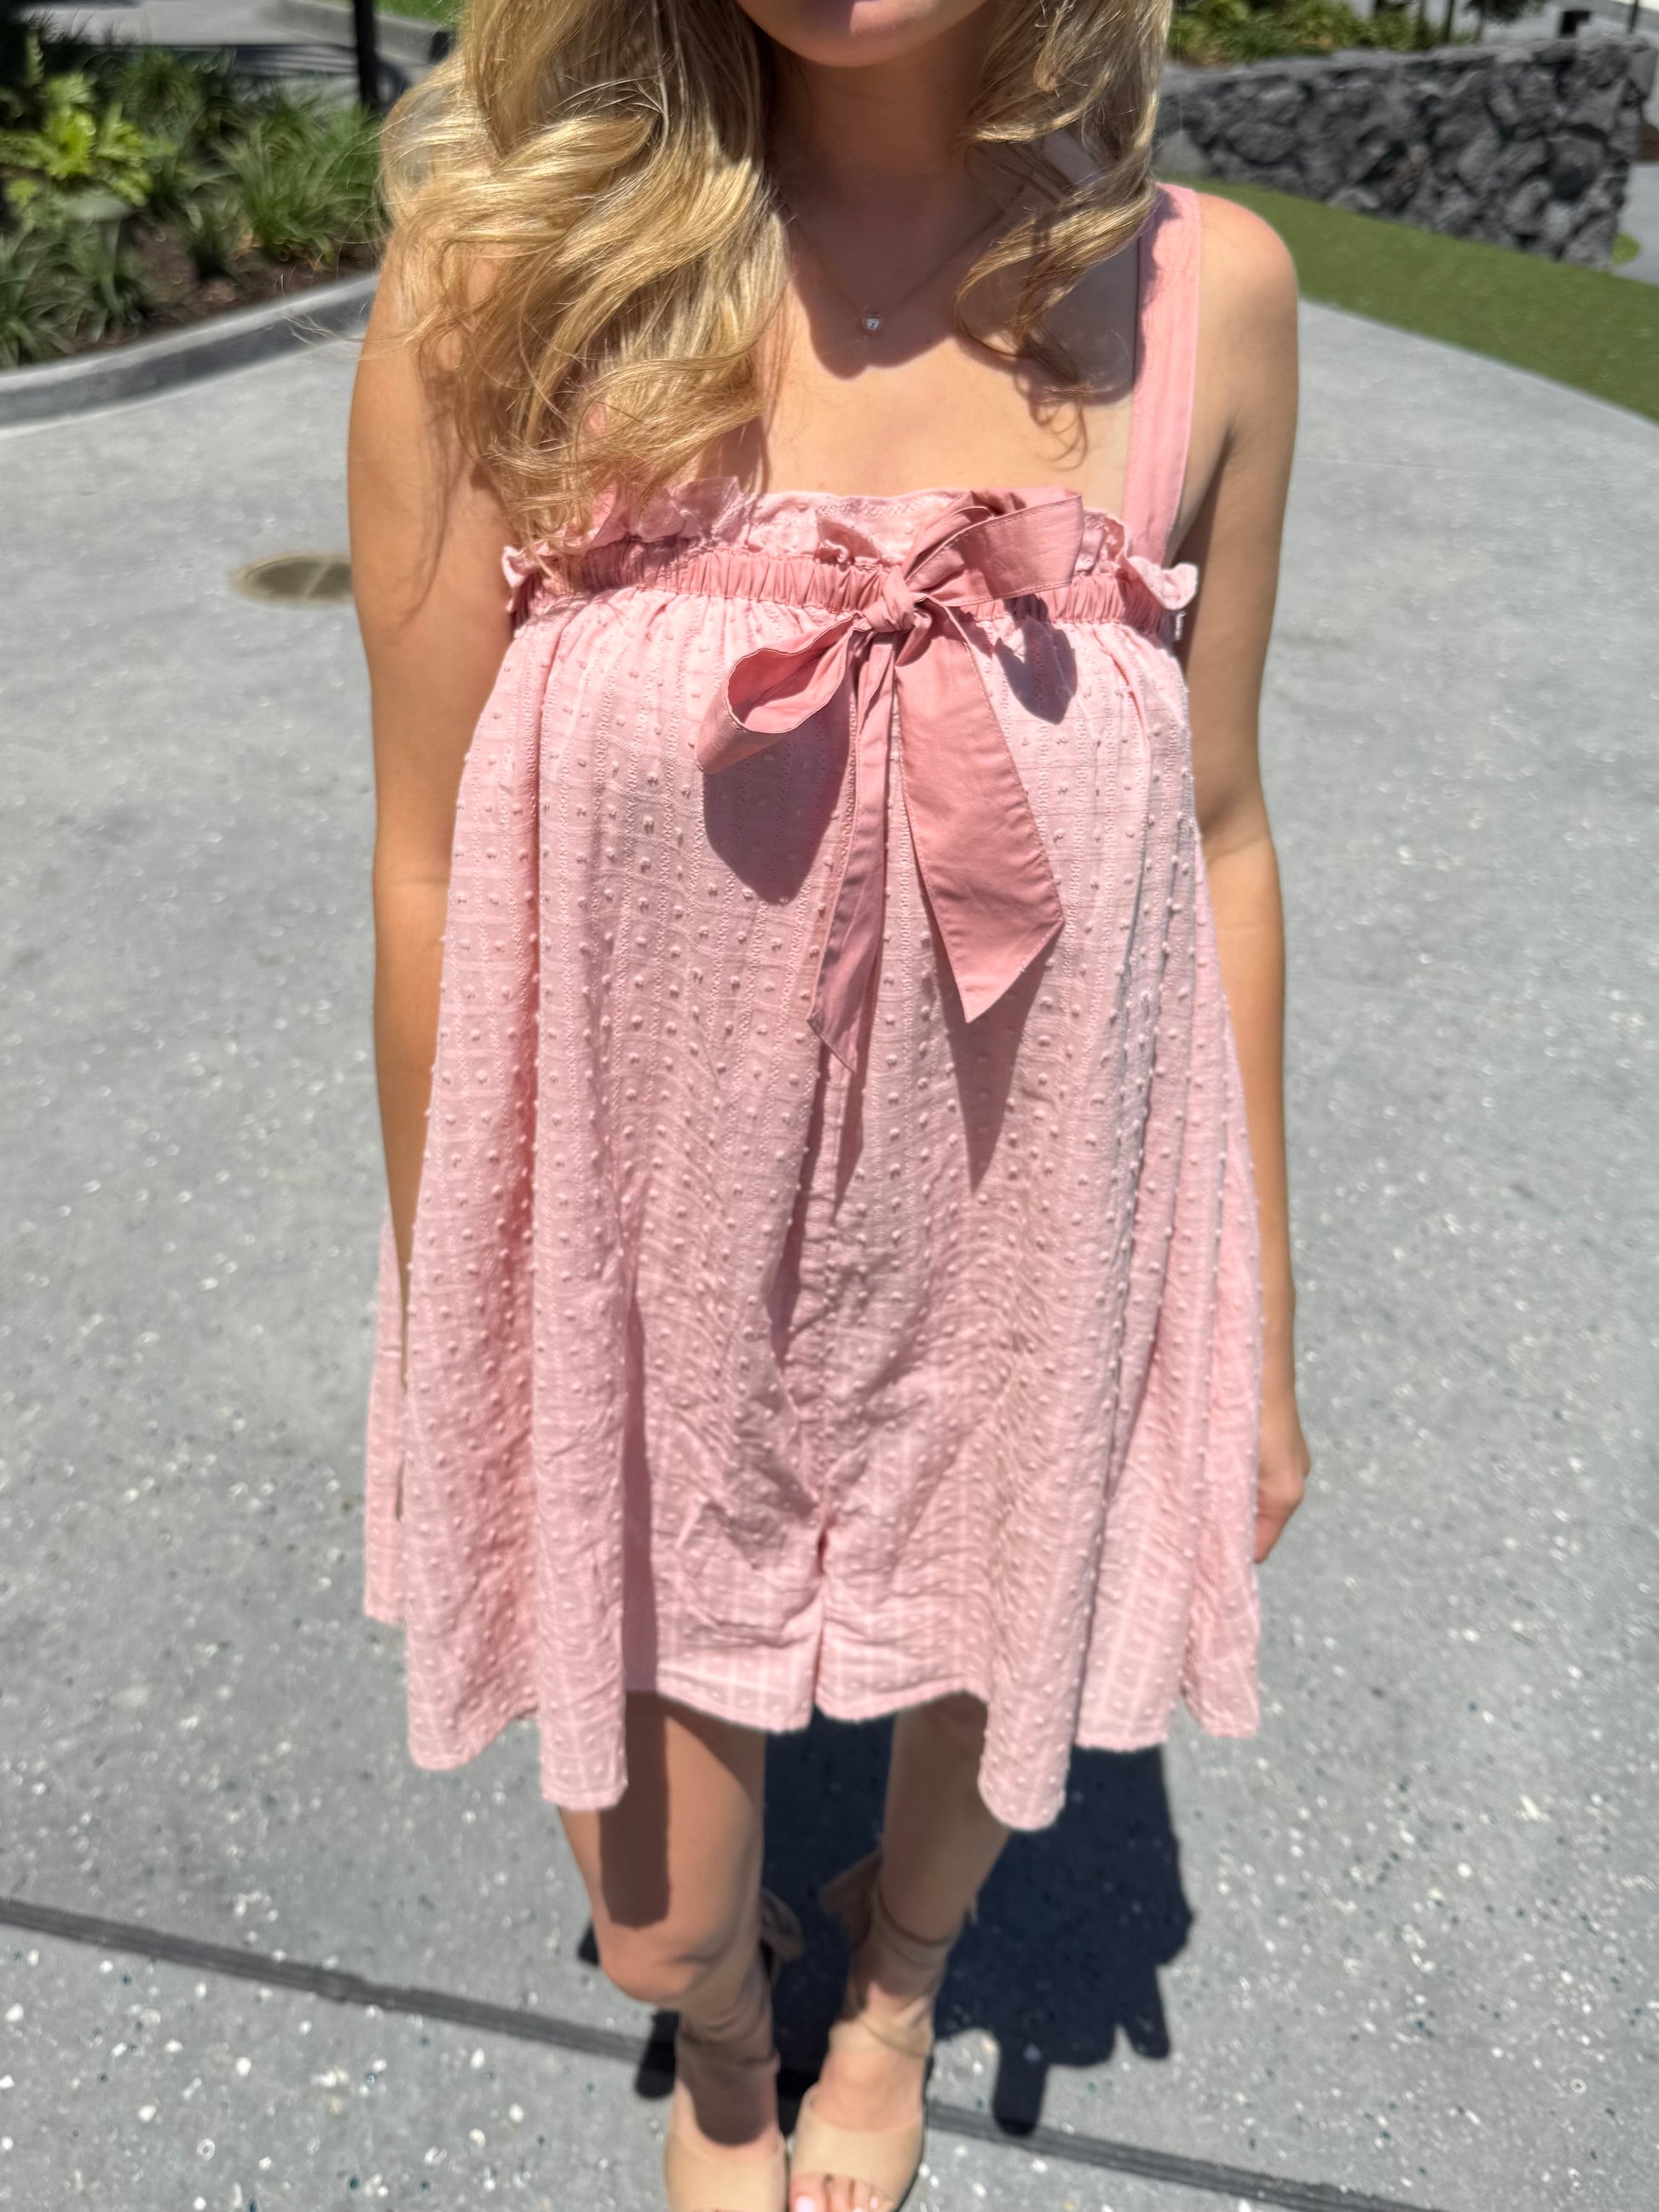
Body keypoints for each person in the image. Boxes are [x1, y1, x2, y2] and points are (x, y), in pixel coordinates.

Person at [347, 2, 1310, 2207]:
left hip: (1026, 1221)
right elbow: (424, 859)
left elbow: (1223, 831)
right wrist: (460, 1315)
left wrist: (1253, 1315)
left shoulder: (1206, 299)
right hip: (645, 1255)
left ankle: (888, 1994)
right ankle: (723, 2039)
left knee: (992, 1650)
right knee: (660, 1917)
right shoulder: (506, 280)